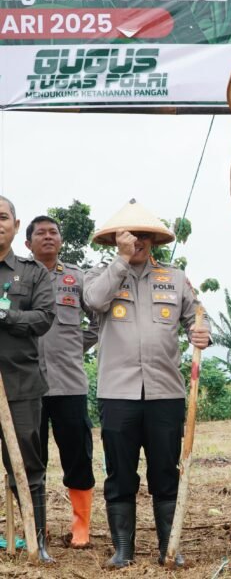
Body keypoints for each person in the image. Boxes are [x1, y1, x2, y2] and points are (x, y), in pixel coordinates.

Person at [84, 199, 211, 568]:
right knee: (120, 473)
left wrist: (203, 332)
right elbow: (93, 302)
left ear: (153, 239)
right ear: (115, 240)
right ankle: (122, 550)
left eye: (141, 235)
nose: (135, 241)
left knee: (165, 472)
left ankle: (168, 549)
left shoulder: (174, 277)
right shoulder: (100, 275)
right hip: (117, 393)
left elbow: (197, 316)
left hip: (165, 394)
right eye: (127, 235)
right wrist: (120, 261)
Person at [25, 215, 97, 548]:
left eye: (54, 232)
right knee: (28, 459)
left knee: (77, 455)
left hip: (69, 382)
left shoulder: (76, 278)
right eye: (40, 233)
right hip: (25, 385)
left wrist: (73, 347)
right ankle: (34, 526)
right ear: (28, 243)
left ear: (61, 240)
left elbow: (98, 320)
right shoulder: (16, 277)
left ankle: (80, 527)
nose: (48, 237)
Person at [0, 196, 55, 562]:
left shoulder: (33, 272)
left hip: (19, 383)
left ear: (16, 226)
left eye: (3, 217)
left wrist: (6, 317)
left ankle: (37, 543)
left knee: (26, 465)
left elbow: (45, 317)